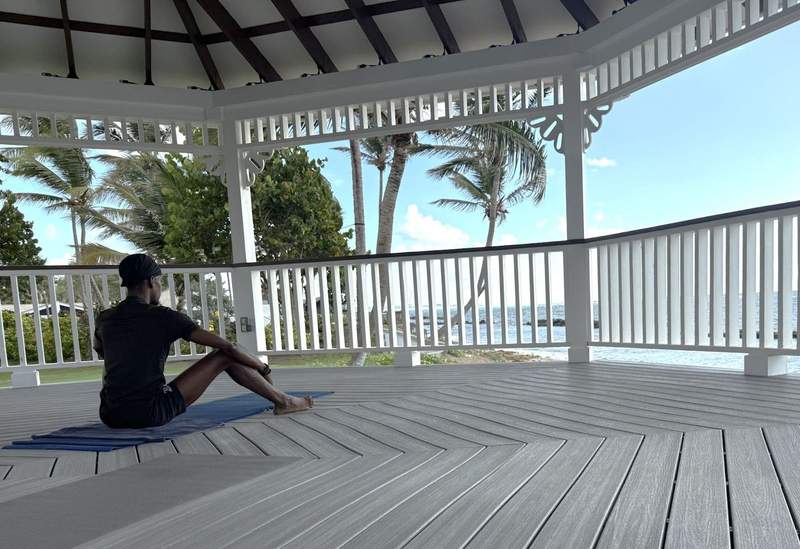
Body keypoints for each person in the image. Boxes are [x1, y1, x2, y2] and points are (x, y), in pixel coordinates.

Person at [94, 253, 313, 429]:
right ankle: (284, 401)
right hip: (149, 413)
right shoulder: (163, 316)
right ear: (151, 281)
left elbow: (101, 351)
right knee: (224, 356)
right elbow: (229, 347)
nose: (160, 287)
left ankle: (283, 400)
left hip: (110, 414)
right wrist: (262, 367)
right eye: (160, 282)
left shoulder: (105, 318)